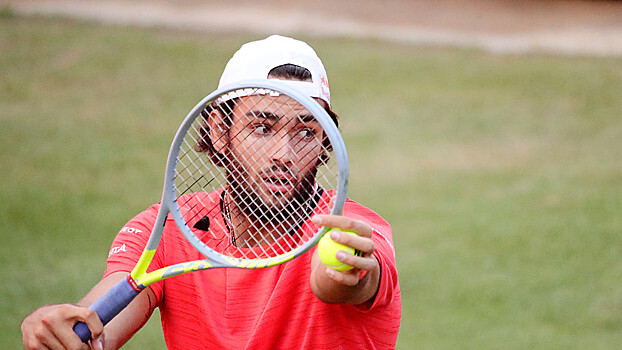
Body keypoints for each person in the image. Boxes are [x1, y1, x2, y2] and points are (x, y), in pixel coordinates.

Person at [21, 35, 401, 350]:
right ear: (220, 131)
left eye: (305, 132)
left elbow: (347, 281)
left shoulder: (355, 229)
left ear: (324, 143)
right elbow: (99, 329)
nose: (283, 154)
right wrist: (60, 334)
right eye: (262, 128)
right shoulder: (169, 227)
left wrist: (340, 274)